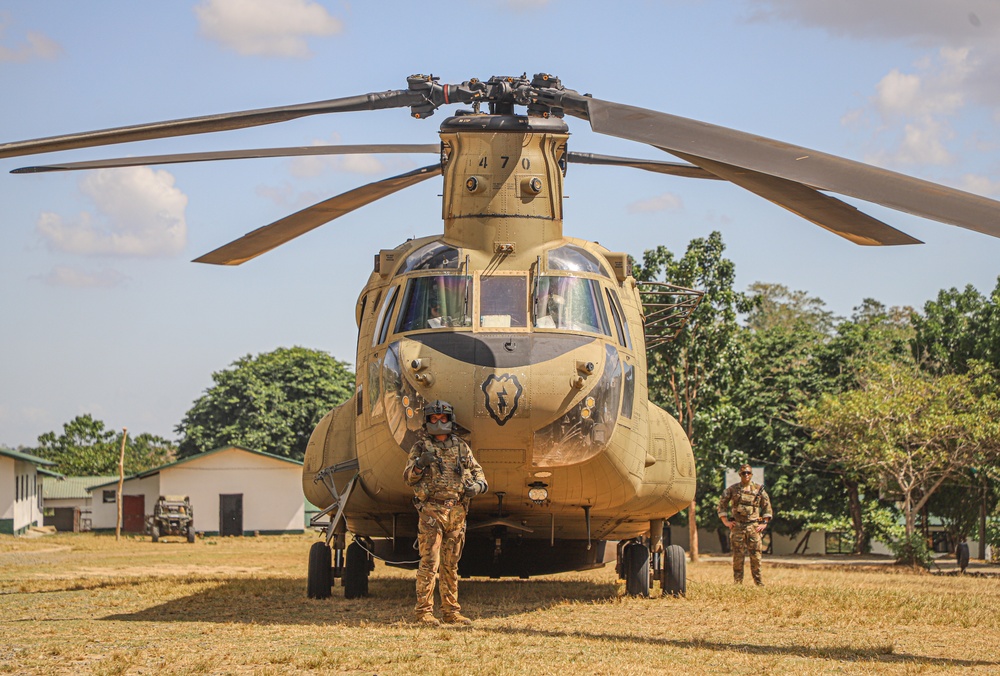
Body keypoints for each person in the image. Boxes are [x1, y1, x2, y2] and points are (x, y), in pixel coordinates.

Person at [403, 400, 487, 626]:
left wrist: (477, 487)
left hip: (457, 511)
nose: (438, 423)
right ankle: (424, 612)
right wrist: (420, 464)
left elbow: (479, 474)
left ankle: (451, 612)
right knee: (429, 562)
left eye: (443, 418)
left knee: (451, 565)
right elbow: (409, 478)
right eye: (433, 418)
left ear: (450, 420)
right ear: (427, 421)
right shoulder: (421, 447)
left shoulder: (461, 447)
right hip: (432, 510)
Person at [717, 464, 772, 586]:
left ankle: (758, 583)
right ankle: (738, 583)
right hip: (738, 527)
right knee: (738, 557)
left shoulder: (759, 489)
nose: (746, 475)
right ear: (740, 475)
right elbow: (722, 504)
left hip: (753, 527)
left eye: (748, 473)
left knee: (756, 556)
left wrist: (764, 523)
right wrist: (726, 521)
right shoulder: (733, 489)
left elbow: (767, 506)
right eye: (743, 473)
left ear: (751, 474)